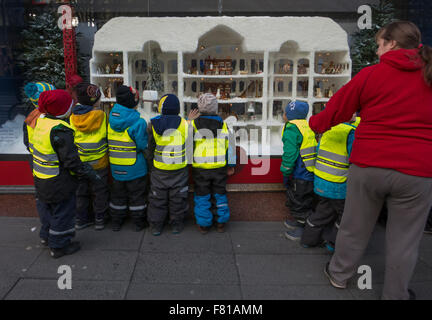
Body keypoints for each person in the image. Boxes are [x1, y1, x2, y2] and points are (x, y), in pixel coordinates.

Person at [309, 21, 432, 300]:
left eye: (378, 45)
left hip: (370, 165)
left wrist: (315, 124)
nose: (377, 51)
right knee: (405, 241)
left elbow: (337, 109)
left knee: (354, 226)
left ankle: (339, 275)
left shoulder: (372, 75)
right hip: (418, 171)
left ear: (391, 44)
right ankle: (395, 294)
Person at [32, 89, 99, 258]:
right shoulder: (60, 130)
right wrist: (87, 172)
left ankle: (46, 236)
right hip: (58, 180)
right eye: (70, 105)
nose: (72, 106)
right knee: (63, 211)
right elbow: (71, 160)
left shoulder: (41, 123)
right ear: (62, 110)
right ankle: (59, 245)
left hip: (41, 177)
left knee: (48, 209)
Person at [287, 114, 359, 250]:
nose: (355, 114)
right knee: (345, 216)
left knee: (322, 212)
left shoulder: (328, 130)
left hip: (321, 181)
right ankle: (333, 243)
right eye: (353, 112)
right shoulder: (350, 133)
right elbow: (353, 157)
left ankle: (308, 240)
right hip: (338, 184)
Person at [192, 93, 235, 234]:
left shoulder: (193, 124)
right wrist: (231, 165)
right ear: (215, 108)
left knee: (202, 196)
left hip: (200, 168)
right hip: (219, 167)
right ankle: (221, 223)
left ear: (199, 108)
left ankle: (204, 225)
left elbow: (188, 146)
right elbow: (231, 146)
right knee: (220, 194)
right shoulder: (223, 125)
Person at [146, 94, 189, 236]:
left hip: (159, 169)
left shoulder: (153, 124)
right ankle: (176, 225)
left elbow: (150, 147)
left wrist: (150, 164)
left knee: (157, 199)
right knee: (178, 199)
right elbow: (190, 146)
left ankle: (156, 226)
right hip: (179, 169)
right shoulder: (184, 124)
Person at [108, 85, 149, 232]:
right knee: (137, 196)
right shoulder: (138, 122)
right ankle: (138, 223)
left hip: (116, 167)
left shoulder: (110, 120)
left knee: (118, 196)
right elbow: (143, 145)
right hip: (135, 168)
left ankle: (116, 222)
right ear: (133, 102)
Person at [70, 83, 109, 230]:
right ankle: (100, 219)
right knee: (100, 191)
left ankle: (81, 219)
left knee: (81, 192)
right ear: (94, 101)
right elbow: (106, 135)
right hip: (99, 162)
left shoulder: (73, 117)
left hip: (80, 162)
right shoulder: (102, 116)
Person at [280, 100, 317, 241]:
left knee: (300, 200)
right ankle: (300, 221)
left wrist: (286, 170)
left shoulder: (292, 128)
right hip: (310, 170)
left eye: (285, 112)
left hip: (300, 172)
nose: (283, 115)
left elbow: (290, 153)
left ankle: (304, 230)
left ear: (289, 116)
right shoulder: (305, 125)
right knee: (304, 198)